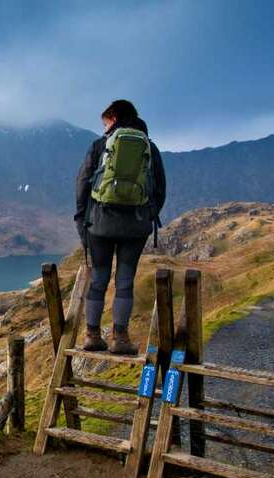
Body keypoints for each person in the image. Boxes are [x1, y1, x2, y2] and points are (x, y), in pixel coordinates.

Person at [74, 100, 166, 354]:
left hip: (100, 224)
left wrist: (82, 219)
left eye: (106, 123)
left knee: (99, 278)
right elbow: (159, 188)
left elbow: (82, 183)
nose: (105, 129)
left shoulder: (100, 146)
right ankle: (120, 339)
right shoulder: (150, 148)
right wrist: (147, 216)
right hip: (135, 225)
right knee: (125, 281)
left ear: (114, 117)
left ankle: (92, 335)